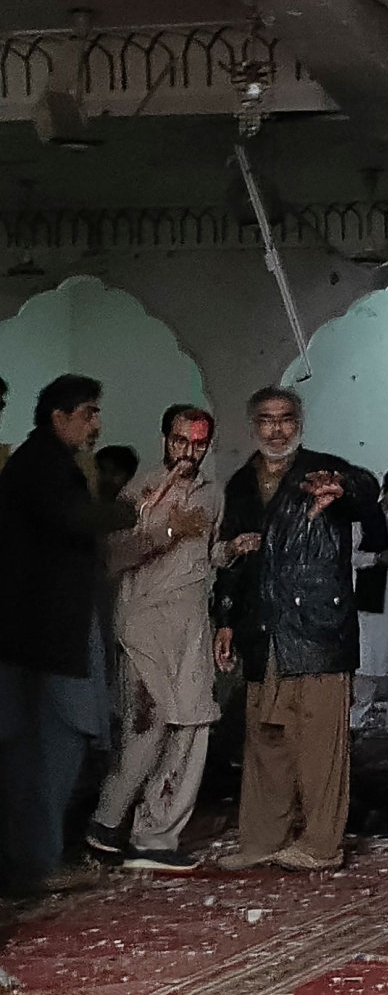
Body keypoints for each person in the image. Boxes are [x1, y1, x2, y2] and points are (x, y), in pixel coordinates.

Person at [212, 386, 379, 871]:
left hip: (317, 629)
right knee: (266, 741)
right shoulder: (241, 484)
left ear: (299, 422)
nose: (276, 429)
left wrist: (342, 488)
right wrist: (225, 620)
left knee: (320, 744)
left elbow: (364, 490)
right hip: (262, 629)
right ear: (253, 426)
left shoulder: (323, 471)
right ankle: (261, 840)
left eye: (285, 418)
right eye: (266, 420)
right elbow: (234, 559)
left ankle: (322, 845)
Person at [88, 405, 246, 872]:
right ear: (165, 439)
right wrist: (171, 528)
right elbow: (116, 553)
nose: (188, 452)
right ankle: (106, 824)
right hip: (145, 626)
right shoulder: (142, 490)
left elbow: (207, 555)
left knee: (192, 727)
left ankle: (155, 836)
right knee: (146, 726)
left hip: (190, 626)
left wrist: (231, 551)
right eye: (180, 441)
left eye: (198, 444)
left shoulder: (213, 493)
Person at [0, 375, 137, 892]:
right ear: (58, 417)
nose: (96, 424)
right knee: (47, 750)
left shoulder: (48, 463)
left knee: (49, 748)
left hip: (46, 634)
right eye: (88, 413)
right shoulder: (39, 465)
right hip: (43, 639)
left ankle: (36, 860)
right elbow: (74, 518)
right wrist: (134, 510)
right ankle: (34, 864)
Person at [352, 465, 388, 734]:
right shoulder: (366, 517)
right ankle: (356, 724)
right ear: (385, 492)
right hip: (373, 604)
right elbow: (351, 556)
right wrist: (376, 559)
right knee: (366, 669)